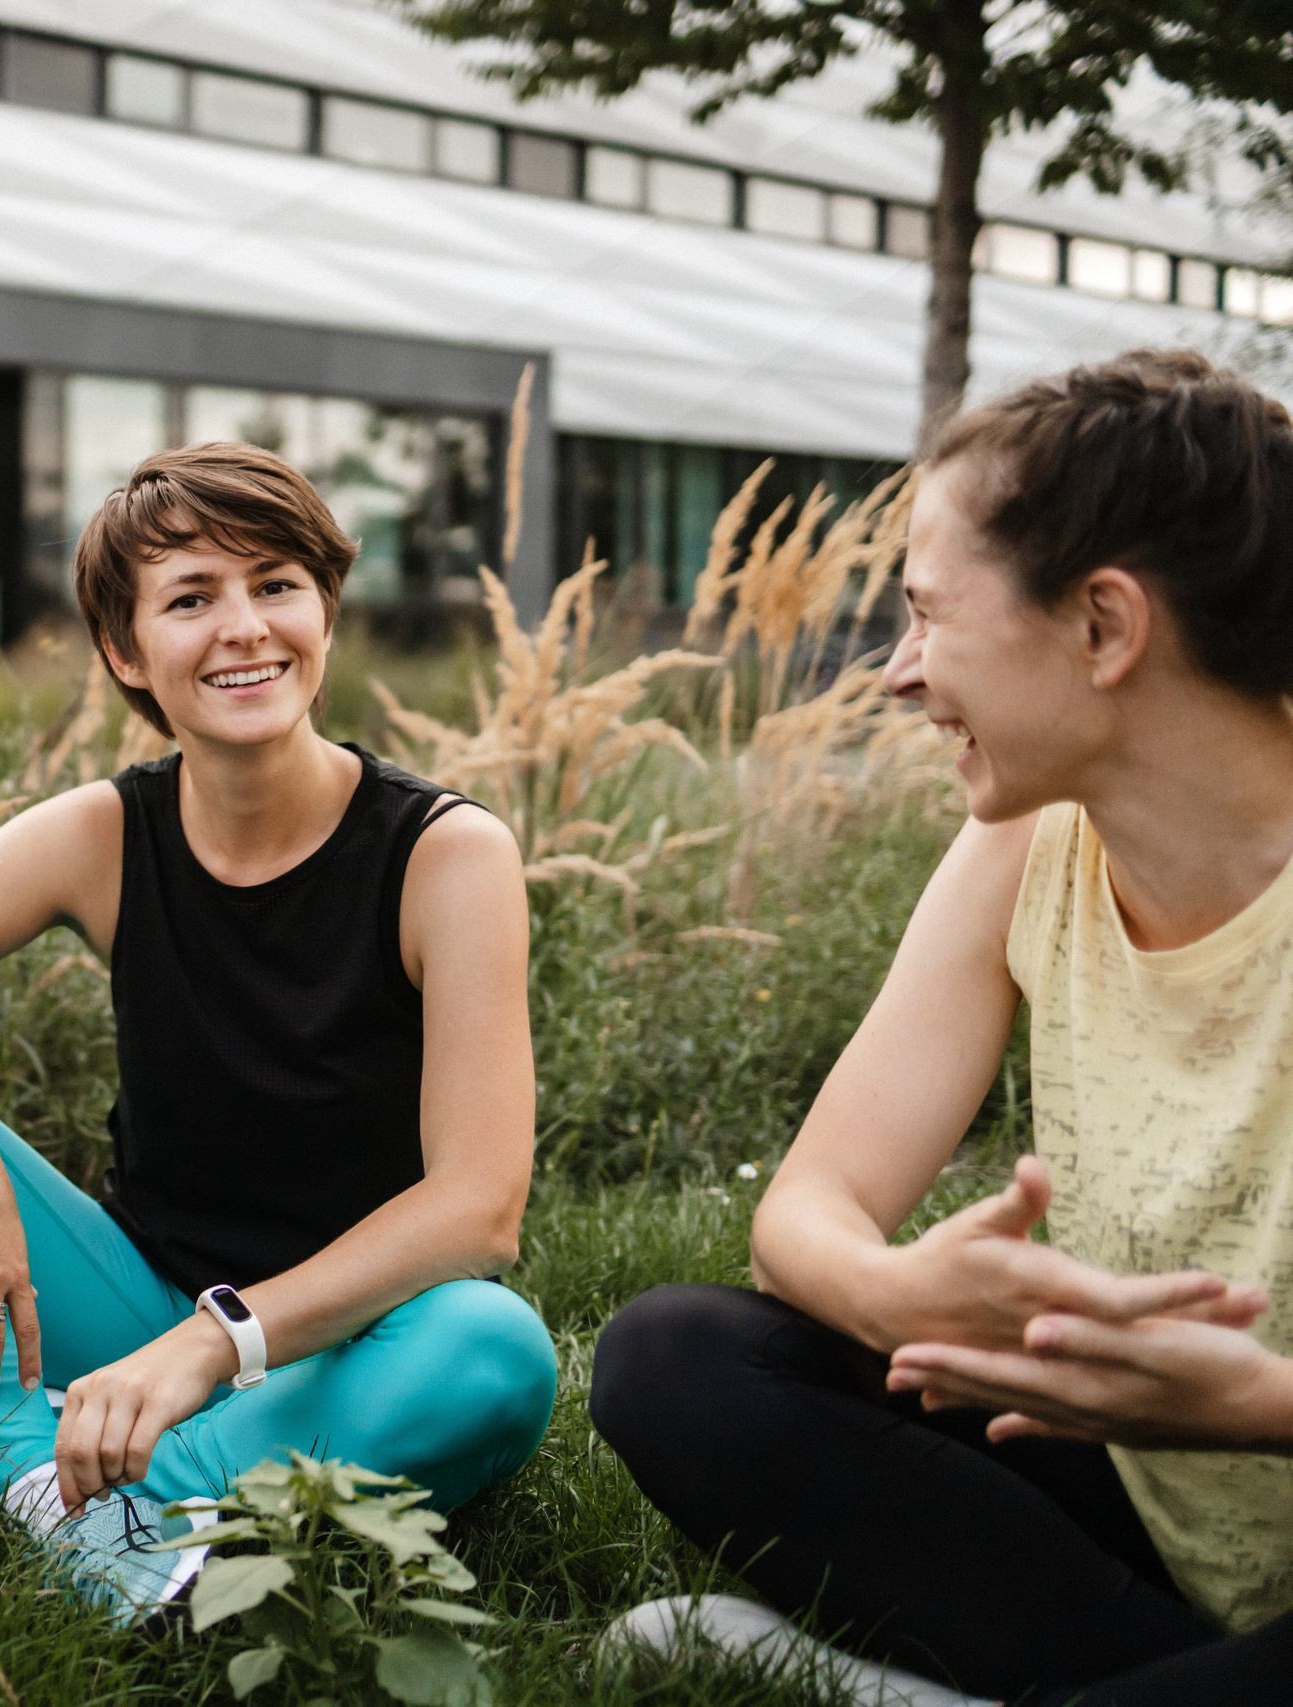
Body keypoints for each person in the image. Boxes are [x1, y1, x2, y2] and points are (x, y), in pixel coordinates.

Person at [589, 349, 1293, 1707]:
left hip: (1235, 1433)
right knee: (678, 1359)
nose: (901, 675)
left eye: (926, 614)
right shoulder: (1026, 840)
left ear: (1104, 627)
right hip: (1147, 1484)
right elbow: (812, 1204)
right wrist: (892, 1292)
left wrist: (1252, 1403)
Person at [0, 441, 558, 1618]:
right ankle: (70, 1492)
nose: (244, 627)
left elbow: (480, 1209)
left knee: (496, 1354)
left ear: (324, 613)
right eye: (191, 598)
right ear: (127, 653)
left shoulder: (445, 855)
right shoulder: (104, 836)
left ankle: (22, 1475)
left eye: (276, 584)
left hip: (341, 1351)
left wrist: (214, 1348)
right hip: (125, 1317)